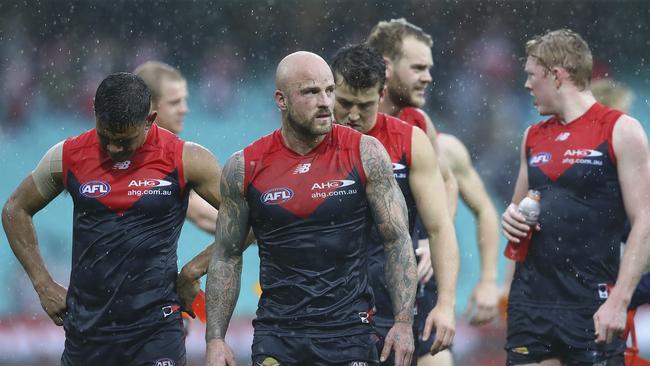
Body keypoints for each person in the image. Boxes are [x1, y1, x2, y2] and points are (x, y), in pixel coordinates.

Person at [204, 51, 418, 366]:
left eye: (329, 91)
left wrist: (403, 323)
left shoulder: (366, 153)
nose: (325, 102)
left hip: (349, 334)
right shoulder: (244, 166)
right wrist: (215, 339)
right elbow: (227, 254)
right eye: (311, 91)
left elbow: (397, 241)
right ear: (282, 100)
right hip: (277, 336)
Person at [1, 72, 222, 365]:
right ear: (94, 114)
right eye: (106, 137)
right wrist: (42, 284)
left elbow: (249, 216)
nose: (115, 149)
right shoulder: (67, 156)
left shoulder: (186, 158)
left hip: (156, 329)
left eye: (125, 140)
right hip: (87, 332)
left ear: (150, 119)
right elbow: (15, 210)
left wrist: (195, 269)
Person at [501, 29, 650, 365]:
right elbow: (517, 210)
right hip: (531, 304)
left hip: (592, 305)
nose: (526, 85)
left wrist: (619, 301)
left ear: (557, 75)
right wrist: (509, 219)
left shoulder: (620, 129)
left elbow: (645, 219)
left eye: (530, 76)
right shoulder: (532, 135)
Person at [368, 18, 500, 366]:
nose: (428, 76)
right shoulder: (342, 125)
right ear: (386, 66)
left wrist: (429, 239)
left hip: (415, 298)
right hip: (357, 301)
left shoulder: (419, 123)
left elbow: (450, 185)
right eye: (418, 67)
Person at [330, 43, 459, 364]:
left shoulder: (410, 140)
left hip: (394, 303)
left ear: (382, 92)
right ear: (330, 91)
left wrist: (446, 304)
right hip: (329, 307)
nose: (354, 115)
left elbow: (440, 226)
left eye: (365, 105)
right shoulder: (311, 141)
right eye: (344, 103)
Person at [134, 60, 219, 235]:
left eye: (184, 100)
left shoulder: (171, 153)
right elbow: (203, 215)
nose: (184, 109)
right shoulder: (128, 152)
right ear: (149, 106)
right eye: (175, 102)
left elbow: (205, 215)